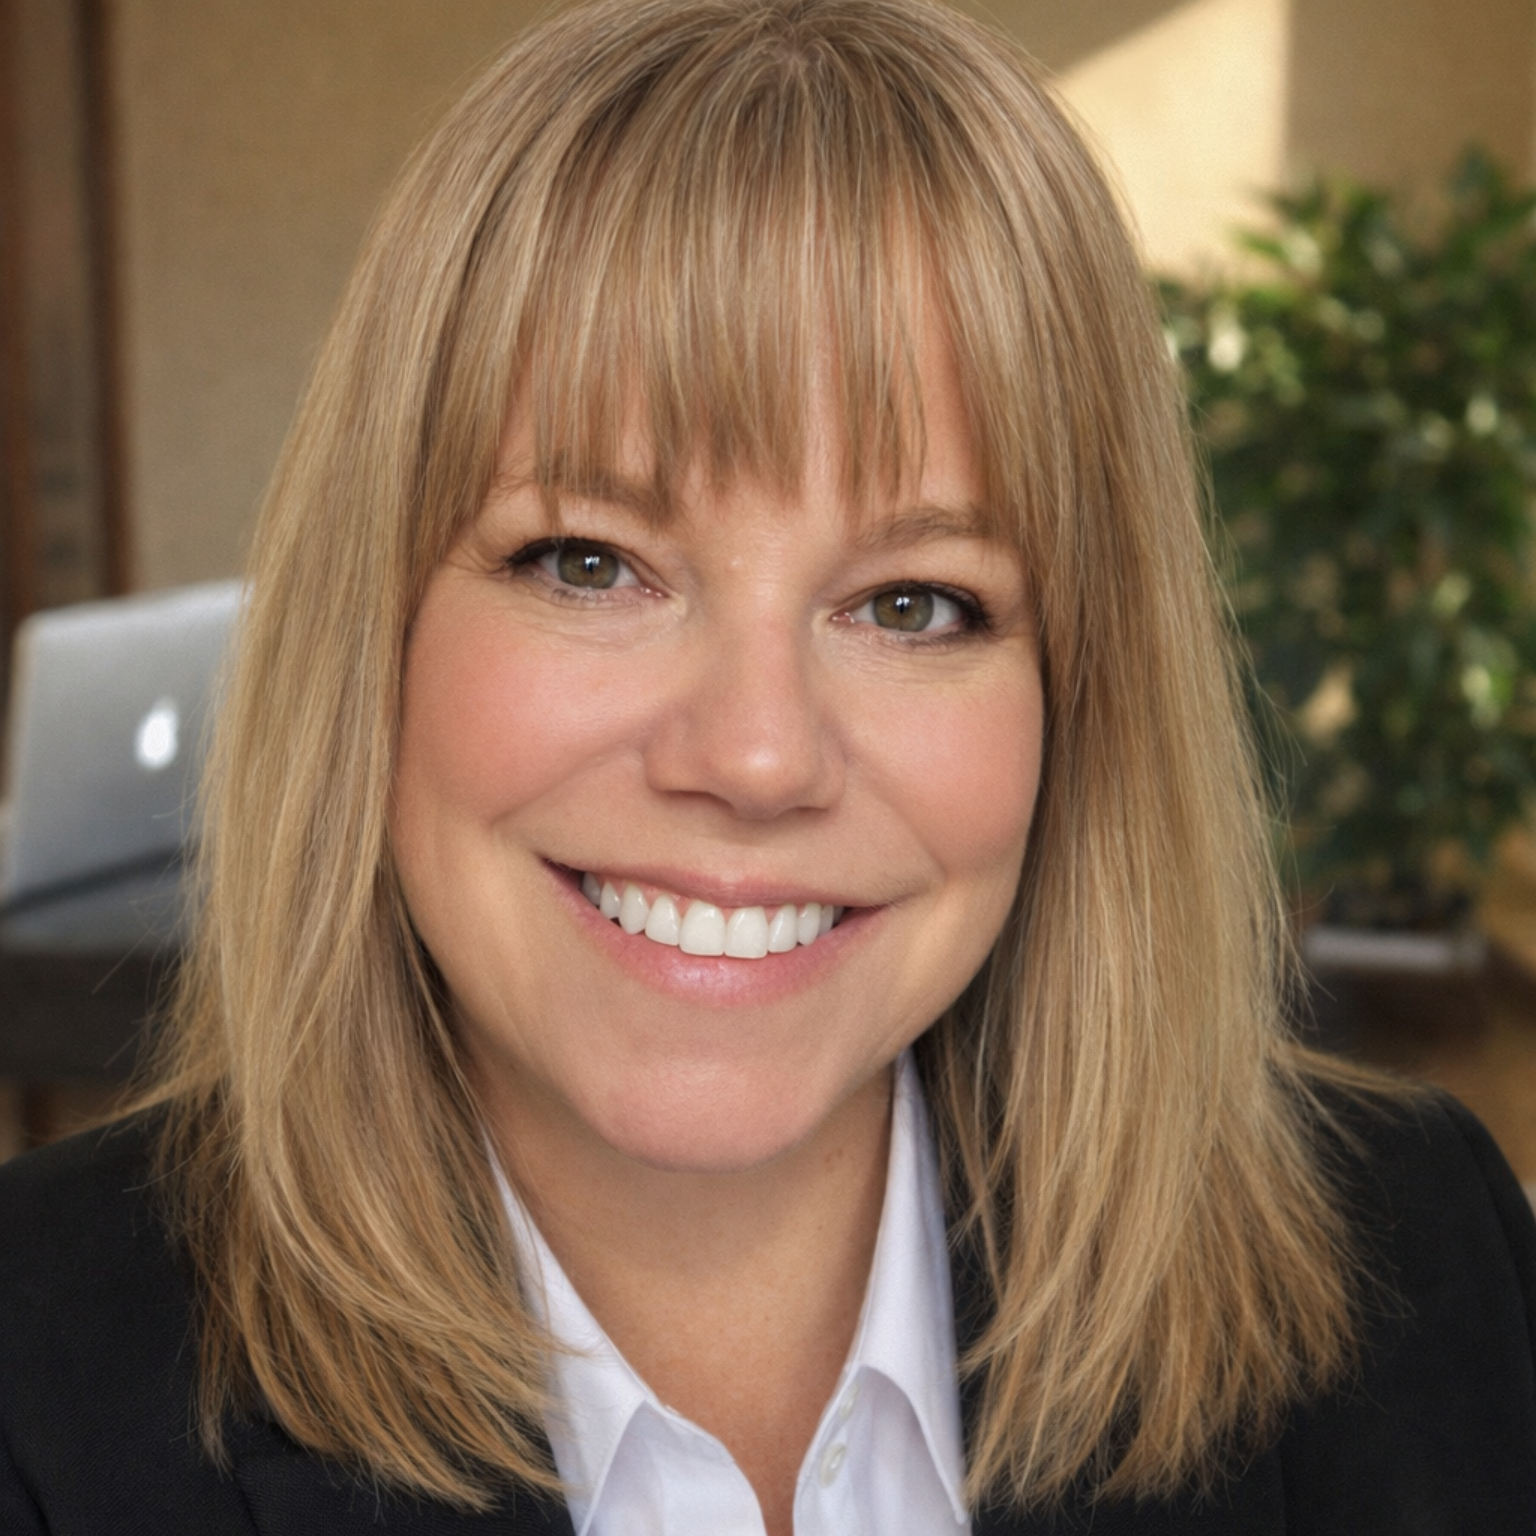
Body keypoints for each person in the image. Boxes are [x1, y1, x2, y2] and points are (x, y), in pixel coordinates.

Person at [3, 1, 1534, 1531]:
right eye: (589, 562)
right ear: (376, 628)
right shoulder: (34, 1385)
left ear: (1086, 697)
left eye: (912, 603)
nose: (754, 754)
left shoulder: (1426, 1263)